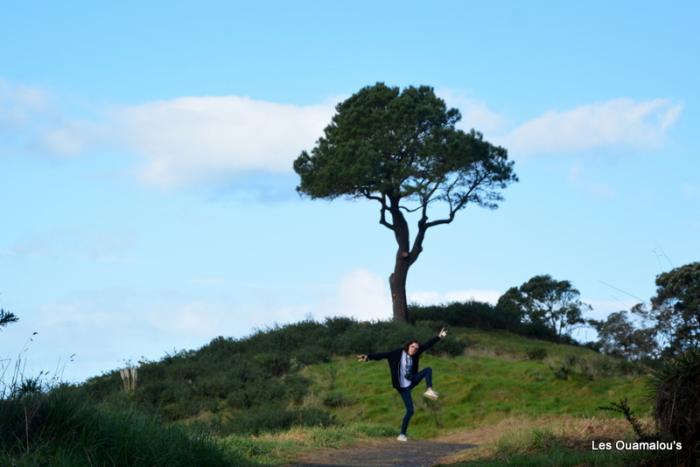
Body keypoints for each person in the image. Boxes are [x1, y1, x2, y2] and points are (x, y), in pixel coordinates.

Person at [357, 327, 447, 442]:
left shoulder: (415, 354)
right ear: (408, 346)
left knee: (428, 370)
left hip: (412, 380)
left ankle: (429, 390)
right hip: (402, 387)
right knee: (410, 411)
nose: (414, 349)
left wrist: (439, 337)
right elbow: (382, 355)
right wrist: (368, 357)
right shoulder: (396, 354)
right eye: (412, 347)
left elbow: (427, 345)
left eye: (416, 348)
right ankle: (401, 435)